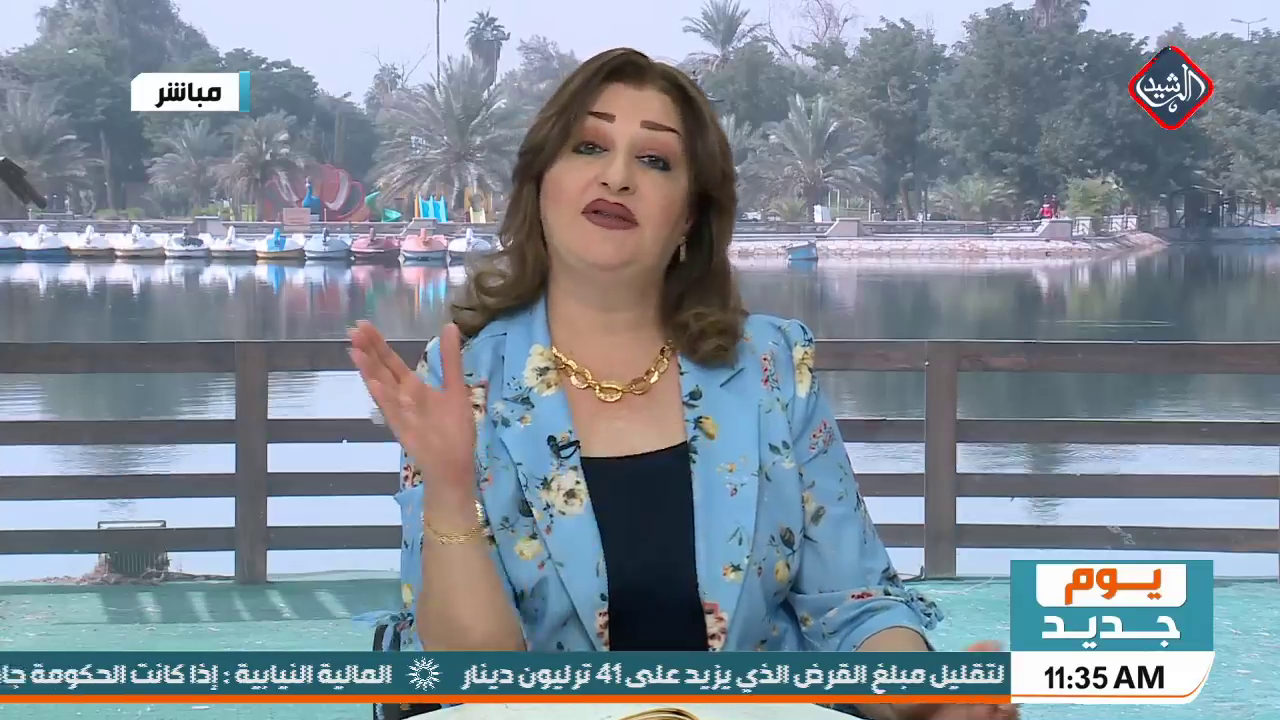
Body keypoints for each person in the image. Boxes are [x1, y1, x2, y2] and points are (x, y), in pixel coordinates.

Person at [350, 47, 1017, 720]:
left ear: (689, 218)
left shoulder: (771, 367)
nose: (617, 176)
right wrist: (450, 490)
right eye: (589, 146)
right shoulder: (463, 379)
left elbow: (854, 606)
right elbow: (473, 684)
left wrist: (928, 703)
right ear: (540, 183)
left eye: (655, 160)